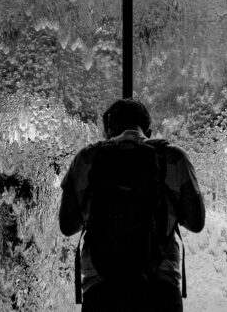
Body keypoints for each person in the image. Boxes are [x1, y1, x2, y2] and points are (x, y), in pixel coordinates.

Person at [59, 98, 205, 312]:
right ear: (149, 131)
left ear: (108, 130)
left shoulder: (87, 158)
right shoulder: (174, 157)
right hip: (160, 287)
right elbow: (197, 222)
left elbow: (67, 225)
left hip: (101, 286)